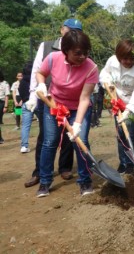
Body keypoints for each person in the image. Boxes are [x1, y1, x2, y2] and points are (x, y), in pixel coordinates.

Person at [34, 29, 98, 197]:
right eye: (78, 53)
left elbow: (84, 98)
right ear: (66, 50)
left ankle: (85, 181)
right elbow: (40, 73)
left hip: (78, 106)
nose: (83, 57)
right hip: (54, 104)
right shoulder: (53, 59)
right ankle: (45, 182)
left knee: (80, 140)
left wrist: (77, 124)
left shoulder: (91, 68)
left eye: (86, 52)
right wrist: (41, 84)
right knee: (49, 141)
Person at [24, 19, 81, 188]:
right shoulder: (47, 46)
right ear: (62, 29)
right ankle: (39, 173)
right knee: (46, 137)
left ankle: (65, 167)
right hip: (47, 97)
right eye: (70, 29)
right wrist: (33, 95)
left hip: (69, 99)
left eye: (77, 31)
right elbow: (36, 70)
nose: (73, 33)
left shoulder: (79, 50)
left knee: (68, 134)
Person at [100, 39, 134, 174]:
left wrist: (128, 110)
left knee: (129, 131)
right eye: (124, 58)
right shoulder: (112, 61)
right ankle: (123, 162)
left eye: (131, 59)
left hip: (133, 104)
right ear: (118, 56)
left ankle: (131, 163)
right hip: (117, 102)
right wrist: (108, 84)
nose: (128, 62)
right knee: (120, 133)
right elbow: (104, 74)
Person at [18, 61, 38, 153]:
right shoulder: (35, 79)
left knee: (25, 126)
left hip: (26, 104)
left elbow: (21, 93)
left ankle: (24, 146)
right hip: (36, 103)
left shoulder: (21, 82)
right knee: (45, 124)